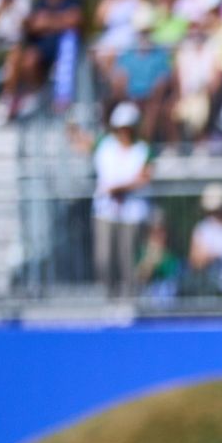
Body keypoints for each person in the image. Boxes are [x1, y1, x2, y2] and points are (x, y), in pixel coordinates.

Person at [91, 101, 151, 300]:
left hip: (131, 214)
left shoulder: (143, 149)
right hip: (105, 211)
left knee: (128, 260)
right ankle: (109, 298)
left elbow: (144, 177)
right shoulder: (105, 145)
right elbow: (84, 144)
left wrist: (119, 188)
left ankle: (131, 300)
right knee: (104, 258)